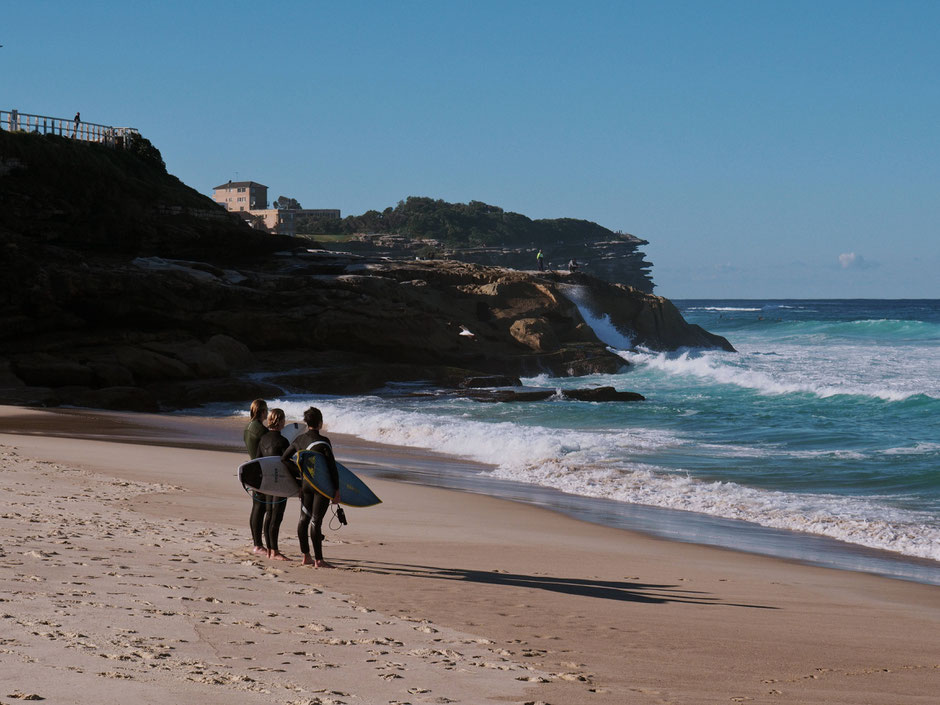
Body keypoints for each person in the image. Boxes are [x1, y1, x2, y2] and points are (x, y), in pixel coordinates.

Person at [280, 406, 341, 567]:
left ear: (306, 423)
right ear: (320, 423)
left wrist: (300, 475)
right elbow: (331, 468)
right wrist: (336, 490)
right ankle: (319, 560)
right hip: (321, 487)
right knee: (316, 521)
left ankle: (306, 556)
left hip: (306, 485)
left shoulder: (299, 440)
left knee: (303, 519)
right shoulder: (324, 442)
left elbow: (284, 459)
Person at [256, 408, 291, 560]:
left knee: (269, 515)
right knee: (276, 517)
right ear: (280, 421)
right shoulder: (283, 441)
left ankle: (270, 550)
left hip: (266, 482)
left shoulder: (263, 439)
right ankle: (274, 551)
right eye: (283, 420)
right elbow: (287, 463)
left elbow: (257, 461)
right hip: (280, 483)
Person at [243, 398, 269, 556]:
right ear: (263, 411)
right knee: (261, 508)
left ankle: (257, 543)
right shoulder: (261, 429)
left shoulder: (247, 427)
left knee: (257, 507)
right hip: (261, 471)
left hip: (252, 468)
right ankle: (258, 545)